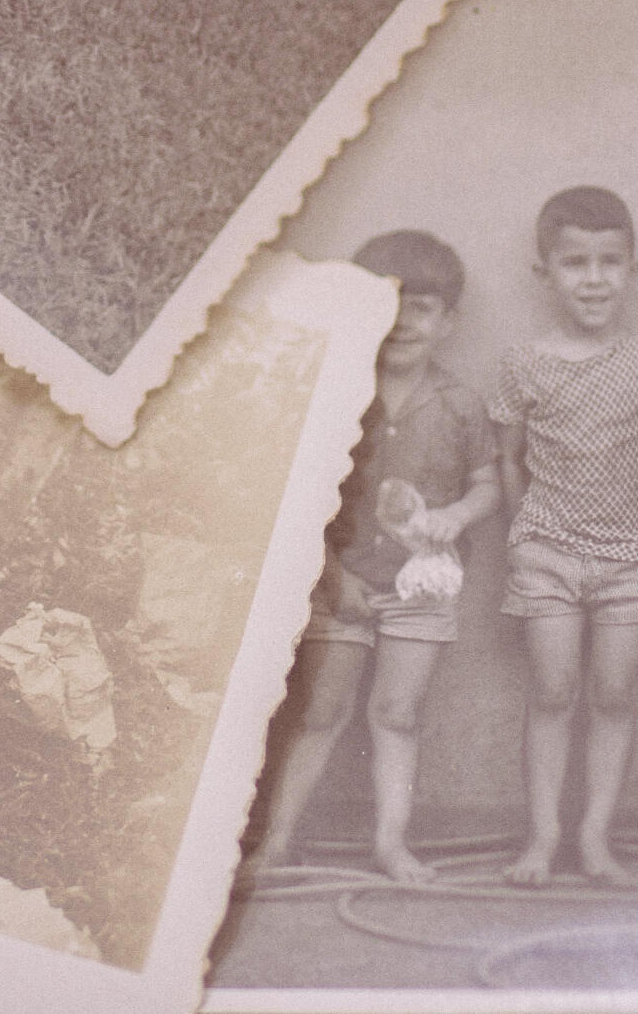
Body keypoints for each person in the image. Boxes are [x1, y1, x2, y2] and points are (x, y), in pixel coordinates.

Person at [252, 230, 498, 885]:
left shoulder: (460, 404)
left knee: (396, 714)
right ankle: (277, 842)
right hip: (341, 583)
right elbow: (302, 499)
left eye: (422, 308)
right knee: (320, 714)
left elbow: (487, 484)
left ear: (448, 322)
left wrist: (456, 516)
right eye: (387, 305)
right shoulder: (335, 398)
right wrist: (334, 578)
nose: (403, 322)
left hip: (422, 586)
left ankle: (391, 845)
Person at [490, 187, 638, 887]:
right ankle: (542, 838)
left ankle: (595, 836)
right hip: (546, 551)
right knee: (550, 692)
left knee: (613, 694)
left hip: (635, 555)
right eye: (575, 263)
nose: (594, 279)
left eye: (609, 262)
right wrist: (524, 533)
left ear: (634, 268)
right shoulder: (522, 364)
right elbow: (508, 457)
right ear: (544, 271)